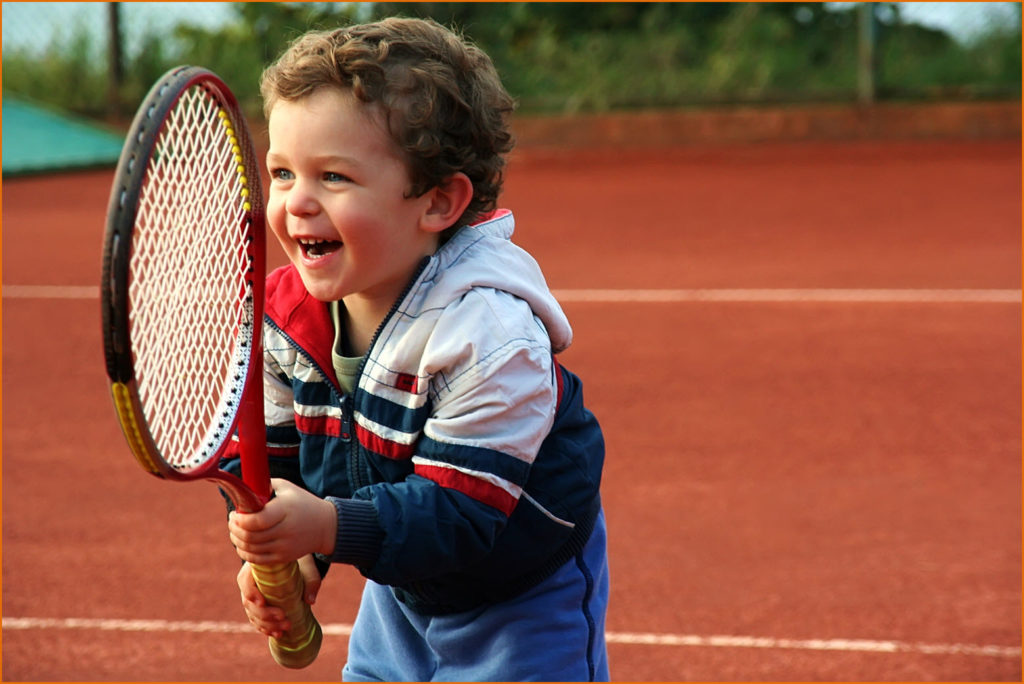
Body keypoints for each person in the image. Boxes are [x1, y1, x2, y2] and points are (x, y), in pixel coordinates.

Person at [222, 16, 609, 682]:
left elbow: (459, 515)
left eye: (334, 178)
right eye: (282, 173)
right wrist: (294, 552)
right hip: (400, 586)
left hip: (521, 594)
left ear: (437, 203)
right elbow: (276, 461)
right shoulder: (285, 320)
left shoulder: (488, 337)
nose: (297, 203)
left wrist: (323, 527)